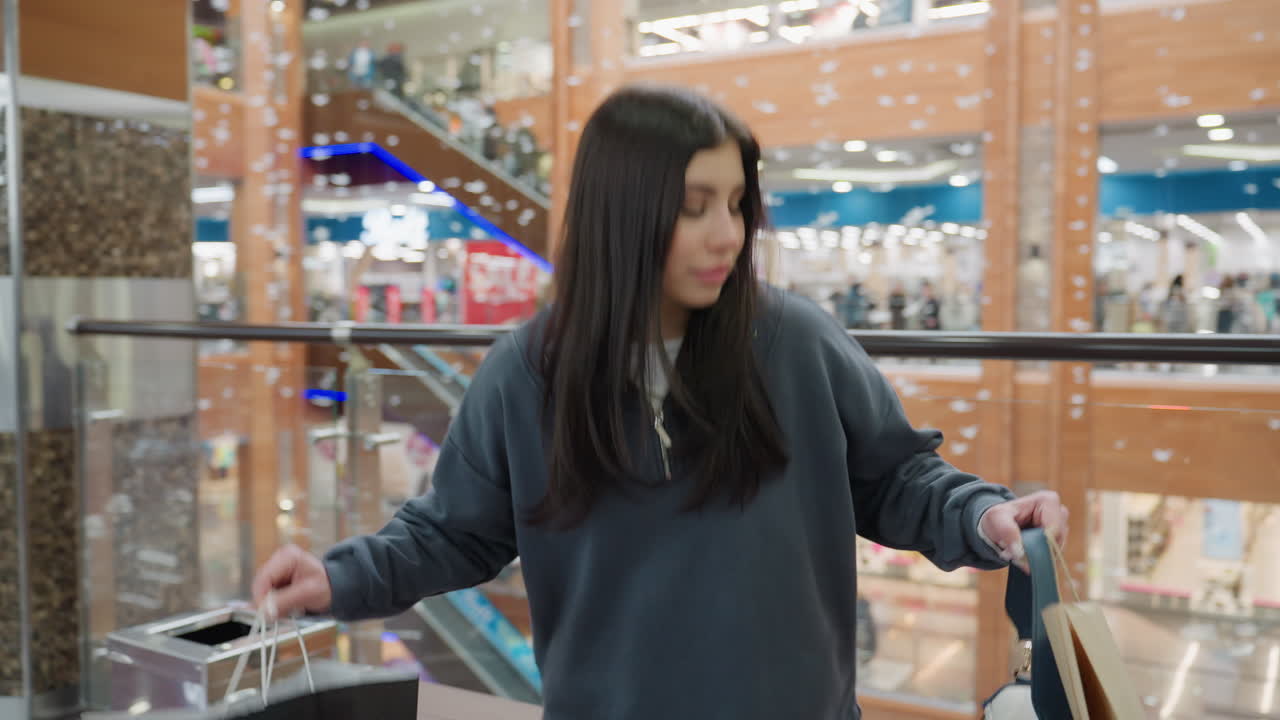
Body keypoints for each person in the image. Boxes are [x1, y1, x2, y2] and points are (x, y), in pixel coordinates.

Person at [250, 85, 1067, 720]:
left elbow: (894, 480)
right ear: (624, 212)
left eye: (738, 203)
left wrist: (983, 516)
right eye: (694, 206)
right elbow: (457, 531)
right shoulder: (529, 373)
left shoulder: (793, 343)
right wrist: (336, 578)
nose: (728, 234)